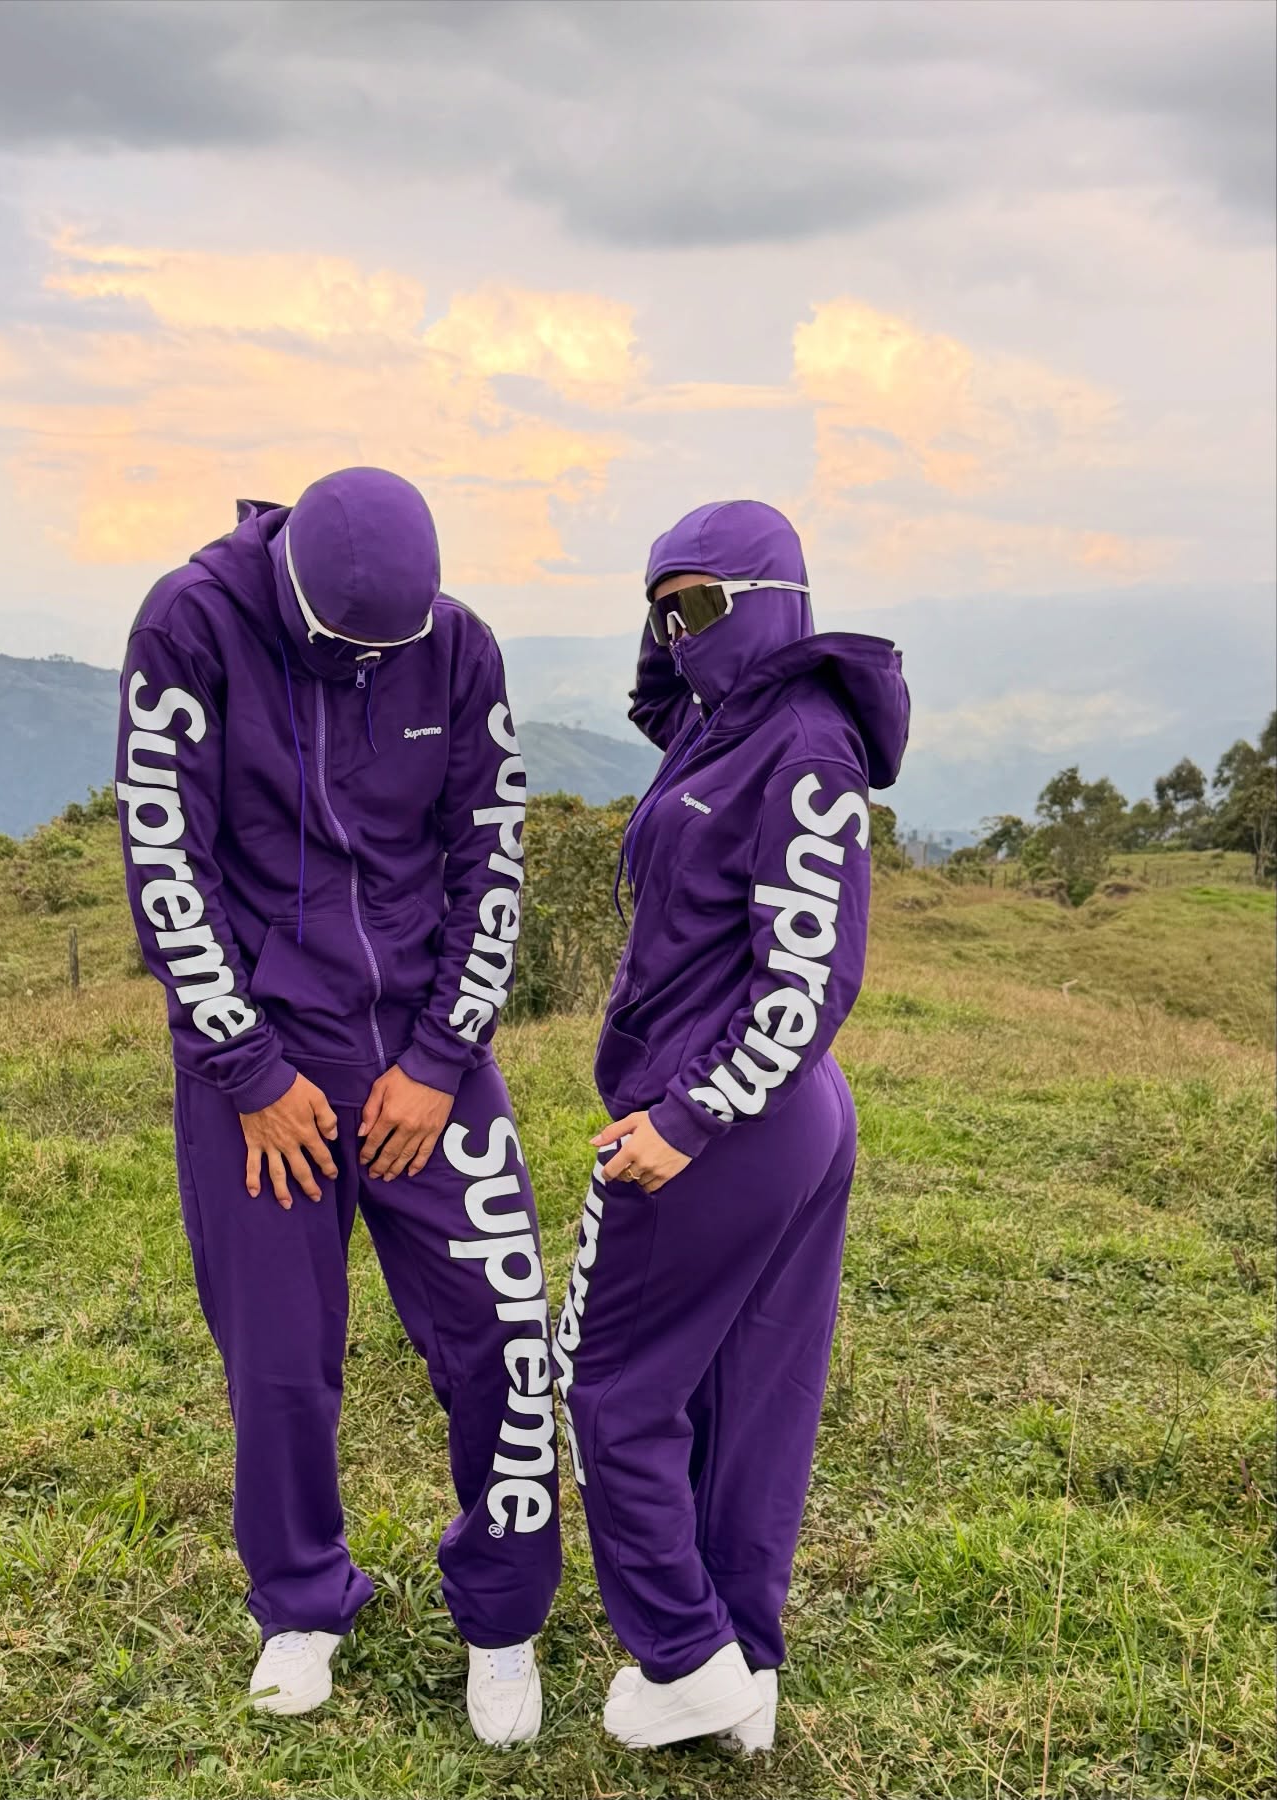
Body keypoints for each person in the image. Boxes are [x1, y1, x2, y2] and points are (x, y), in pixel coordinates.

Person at [116, 468, 559, 1744]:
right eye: (340, 648)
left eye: (388, 652)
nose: (366, 668)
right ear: (292, 587)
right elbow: (166, 860)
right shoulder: (189, 625)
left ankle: (504, 1618)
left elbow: (491, 854)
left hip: (426, 1050)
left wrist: (442, 1057)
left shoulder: (459, 646)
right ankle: (301, 1603)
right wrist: (250, 1073)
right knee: (279, 1360)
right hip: (265, 1060)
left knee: (504, 1337)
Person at [553, 500, 909, 1752]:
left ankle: (682, 1652)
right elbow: (659, 696)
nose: (677, 632)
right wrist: (673, 620)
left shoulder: (804, 748)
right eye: (661, 609)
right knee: (748, 1393)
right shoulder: (723, 720)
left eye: (701, 604)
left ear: (772, 603)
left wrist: (688, 1117)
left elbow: (808, 975)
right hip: (781, 1115)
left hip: (728, 1114)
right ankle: (741, 1666)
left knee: (608, 1385)